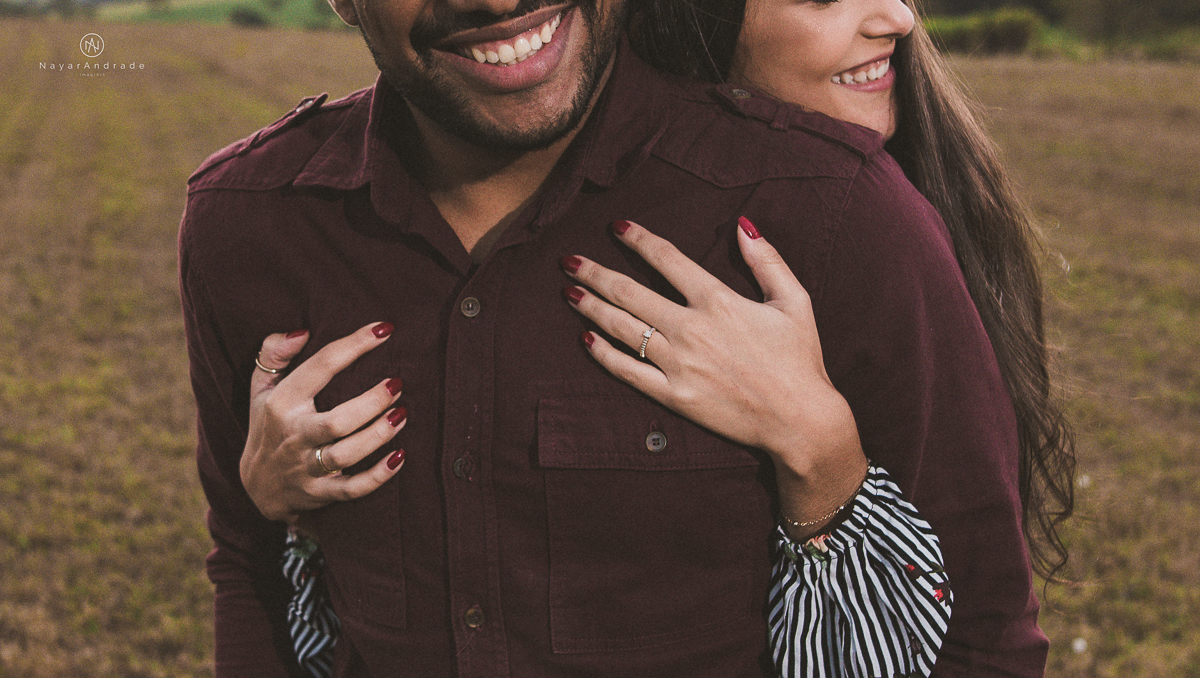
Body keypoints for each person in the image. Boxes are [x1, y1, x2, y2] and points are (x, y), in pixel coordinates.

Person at [180, 0, 1071, 676]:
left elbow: (983, 635)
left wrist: (823, 456)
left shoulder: (833, 211)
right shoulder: (247, 225)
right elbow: (248, 567)